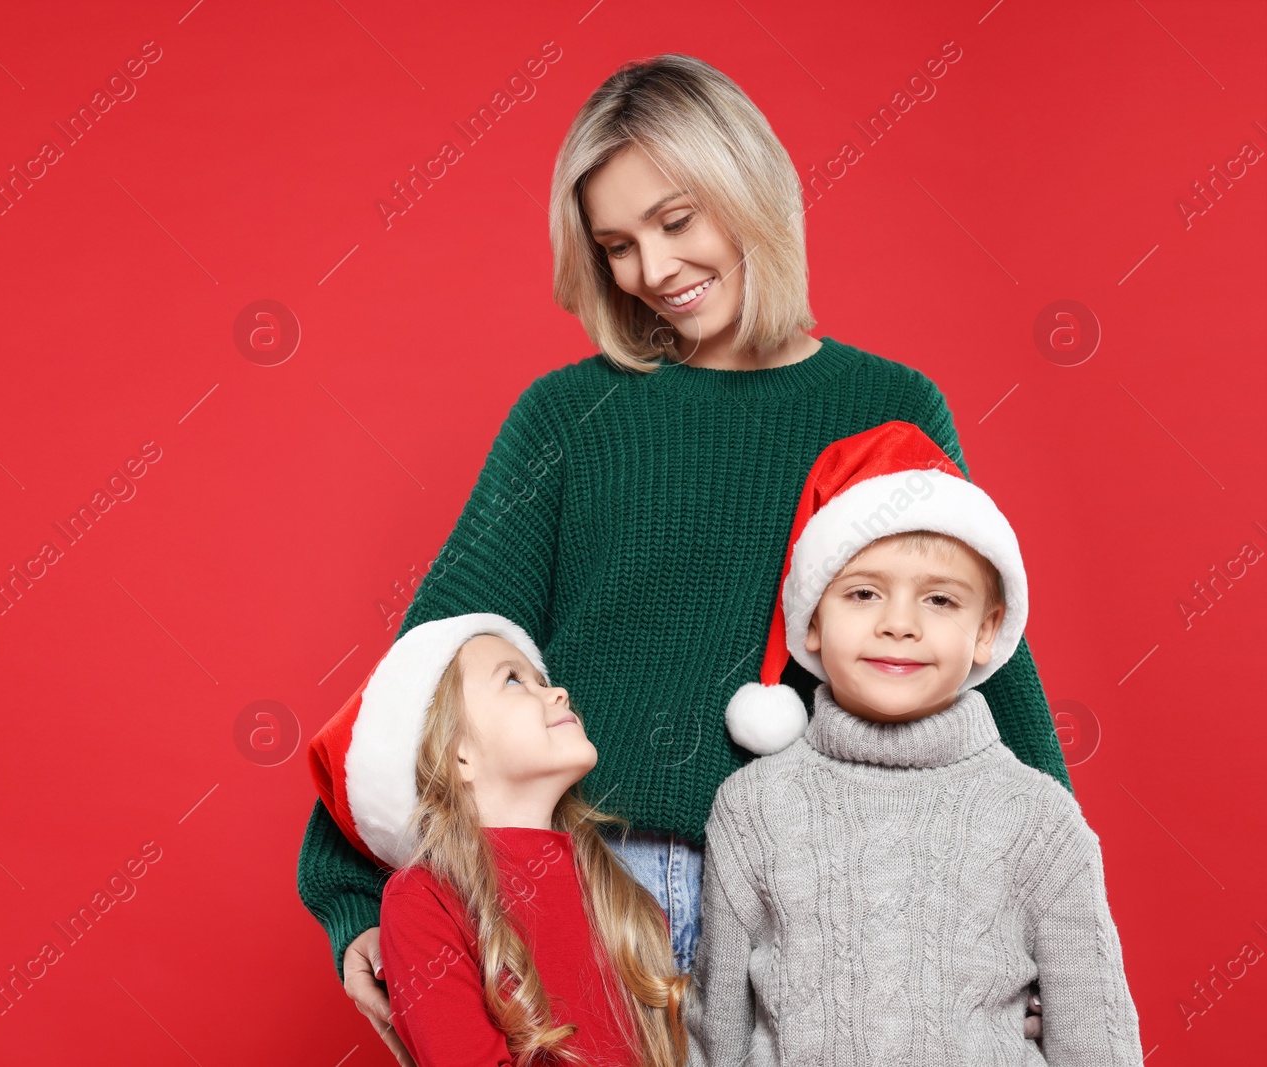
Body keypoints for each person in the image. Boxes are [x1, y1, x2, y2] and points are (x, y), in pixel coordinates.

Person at [297, 53, 1058, 1059]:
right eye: (615, 244)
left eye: (675, 220)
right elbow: (433, 662)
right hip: (602, 892)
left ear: (749, 187)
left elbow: (976, 666)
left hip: (820, 894)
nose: (651, 270)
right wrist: (353, 893)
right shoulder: (571, 416)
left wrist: (1042, 916)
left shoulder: (889, 406)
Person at [689, 421, 1141, 1065]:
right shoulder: (754, 806)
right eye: (864, 593)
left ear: (986, 633)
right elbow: (718, 1032)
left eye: (939, 600)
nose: (898, 624)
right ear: (813, 619)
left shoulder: (1038, 820)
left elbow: (1097, 1040)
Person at [307, 612, 691, 1066]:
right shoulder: (423, 901)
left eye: (541, 679)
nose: (559, 692)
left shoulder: (625, 899)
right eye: (513, 680)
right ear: (458, 756)